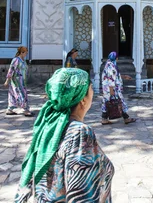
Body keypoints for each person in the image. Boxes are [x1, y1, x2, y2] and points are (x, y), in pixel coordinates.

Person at [14, 68, 113, 203]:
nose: (93, 94)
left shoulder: (49, 126)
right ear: (83, 100)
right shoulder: (79, 134)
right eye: (91, 90)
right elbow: (81, 193)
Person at [101, 52, 136, 125]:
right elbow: (111, 79)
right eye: (117, 58)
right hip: (112, 89)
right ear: (115, 58)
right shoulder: (111, 67)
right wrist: (111, 90)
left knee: (108, 103)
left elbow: (114, 76)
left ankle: (104, 119)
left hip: (108, 89)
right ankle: (126, 118)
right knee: (119, 102)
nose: (117, 59)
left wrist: (123, 76)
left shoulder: (108, 64)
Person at [4, 46, 33, 116]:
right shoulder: (16, 60)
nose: (26, 53)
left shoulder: (23, 60)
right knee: (21, 94)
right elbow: (11, 69)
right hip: (16, 81)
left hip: (22, 81)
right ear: (22, 52)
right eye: (26, 52)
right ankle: (25, 109)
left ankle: (10, 109)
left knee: (13, 94)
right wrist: (7, 80)